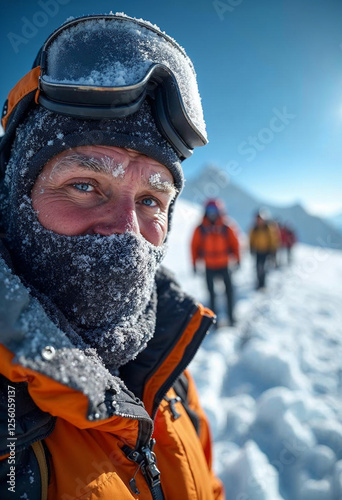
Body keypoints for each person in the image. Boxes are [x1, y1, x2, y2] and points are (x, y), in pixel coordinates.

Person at [0, 14, 224, 499]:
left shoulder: (165, 356)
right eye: (84, 185)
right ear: (15, 197)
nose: (126, 233)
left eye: (150, 201)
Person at [191, 199, 240, 327]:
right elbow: (194, 246)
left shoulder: (226, 227)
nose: (212, 213)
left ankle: (231, 318)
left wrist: (238, 259)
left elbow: (235, 243)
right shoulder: (200, 228)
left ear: (220, 211)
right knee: (211, 295)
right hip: (209, 266)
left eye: (214, 211)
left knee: (229, 292)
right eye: (209, 211)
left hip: (224, 265)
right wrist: (194, 263)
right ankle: (214, 321)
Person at [249, 209, 276, 289]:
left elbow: (272, 239)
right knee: (258, 267)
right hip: (257, 251)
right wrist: (251, 248)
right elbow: (251, 239)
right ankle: (259, 282)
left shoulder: (268, 228)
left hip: (266, 251)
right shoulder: (254, 229)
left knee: (263, 268)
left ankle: (262, 283)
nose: (259, 221)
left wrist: (272, 251)